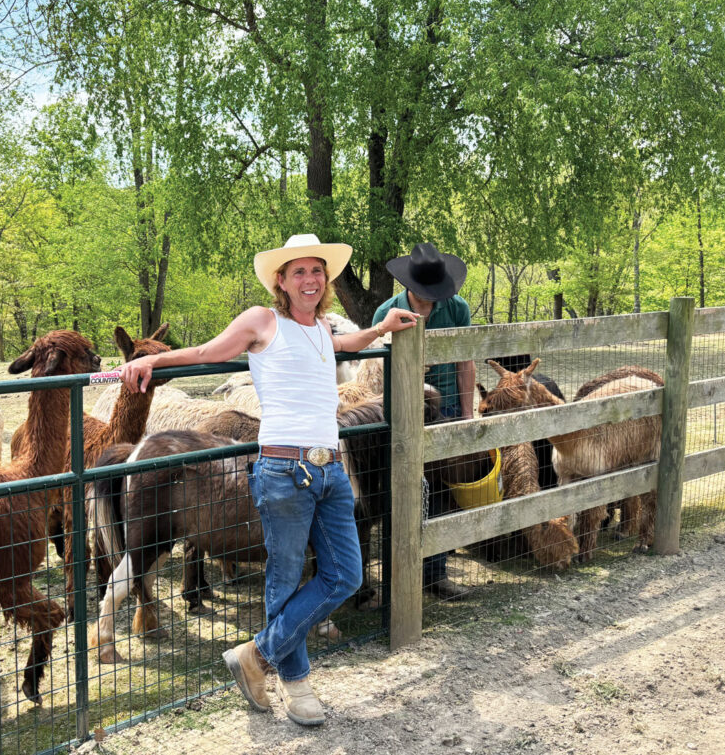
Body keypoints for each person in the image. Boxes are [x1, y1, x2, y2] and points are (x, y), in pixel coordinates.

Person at [118, 233, 420, 727]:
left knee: (347, 573)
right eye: (298, 271)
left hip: (330, 469)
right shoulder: (264, 320)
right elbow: (206, 352)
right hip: (285, 469)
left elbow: (344, 343)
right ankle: (297, 687)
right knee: (283, 580)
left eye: (317, 271)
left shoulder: (322, 327)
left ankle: (256, 656)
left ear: (326, 279)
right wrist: (153, 359)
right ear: (280, 279)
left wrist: (381, 328)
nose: (310, 279)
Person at [372, 242, 475, 599]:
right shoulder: (386, 312)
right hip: (400, 412)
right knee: (396, 492)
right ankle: (396, 578)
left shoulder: (456, 308)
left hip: (442, 411)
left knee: (442, 490)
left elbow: (466, 361)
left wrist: (466, 414)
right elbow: (375, 373)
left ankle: (435, 573)